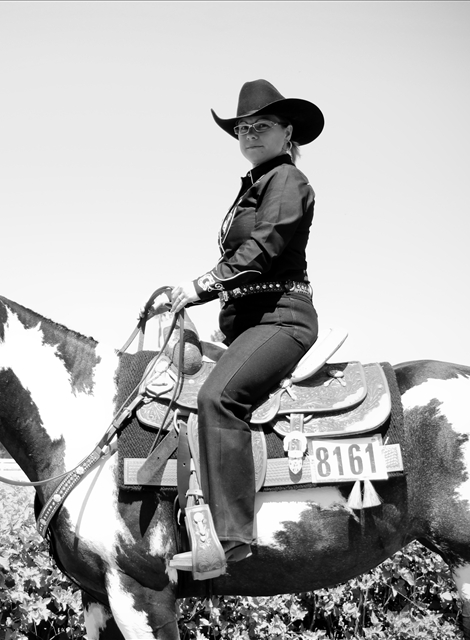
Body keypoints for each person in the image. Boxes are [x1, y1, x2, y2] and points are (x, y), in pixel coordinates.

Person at [169, 79, 323, 575]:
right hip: (249, 325)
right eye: (243, 128)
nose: (250, 134)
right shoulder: (255, 186)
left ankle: (230, 538)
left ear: (287, 132)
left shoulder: (288, 183)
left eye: (262, 126)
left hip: (283, 319)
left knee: (220, 397)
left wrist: (201, 285)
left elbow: (266, 247)